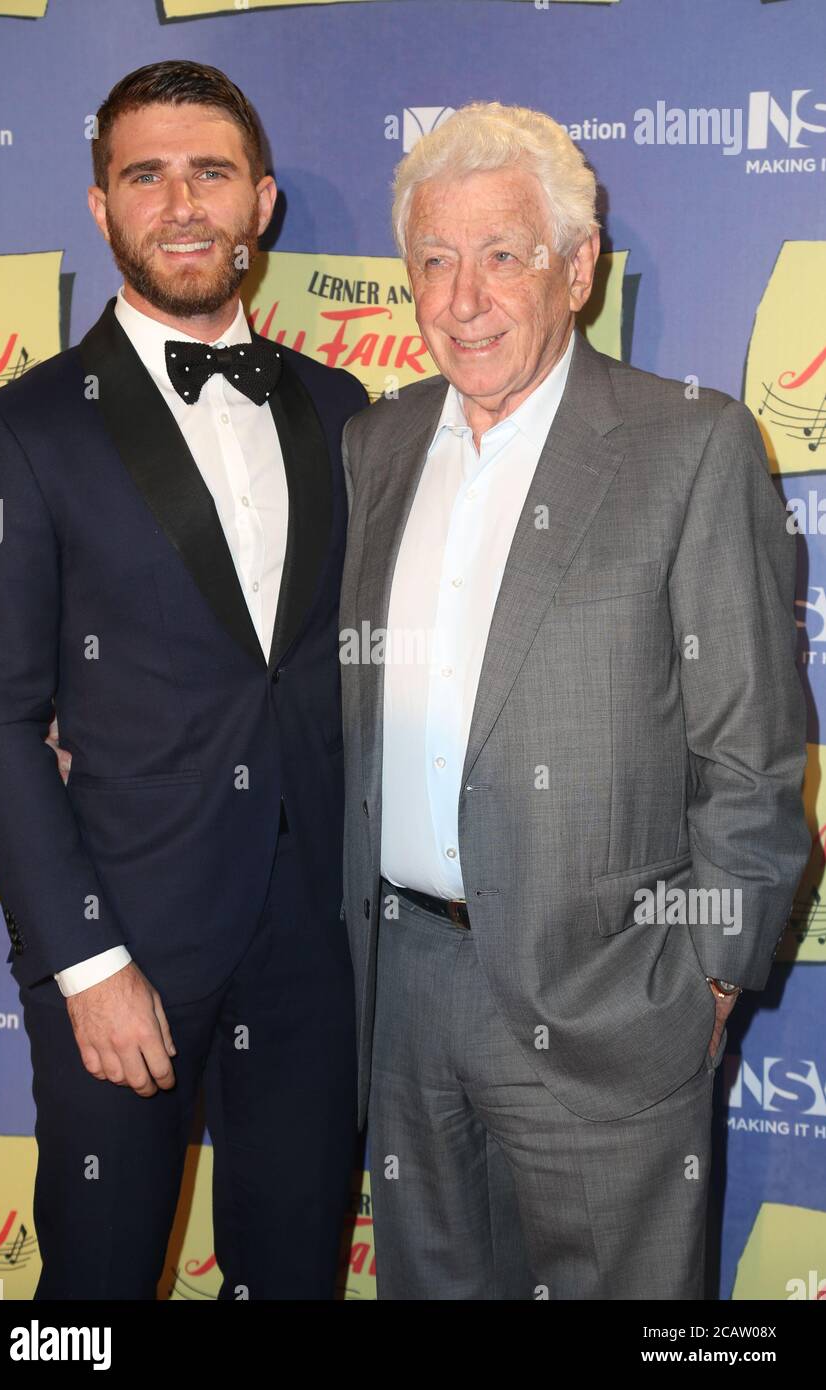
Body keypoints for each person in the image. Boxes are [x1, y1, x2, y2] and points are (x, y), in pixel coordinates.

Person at [338, 101, 810, 1300]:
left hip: (612, 999)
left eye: (503, 253)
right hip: (405, 995)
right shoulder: (377, 446)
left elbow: (751, 756)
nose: (463, 295)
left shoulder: (688, 448)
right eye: (433, 261)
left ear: (578, 267)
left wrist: (704, 982)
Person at [0, 59, 366, 1300]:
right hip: (122, 936)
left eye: (210, 173)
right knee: (92, 1283)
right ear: (99, 207)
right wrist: (88, 965)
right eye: (146, 175)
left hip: (313, 942)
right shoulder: (18, 433)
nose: (181, 204)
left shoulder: (345, 409)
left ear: (263, 203)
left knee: (293, 1271)